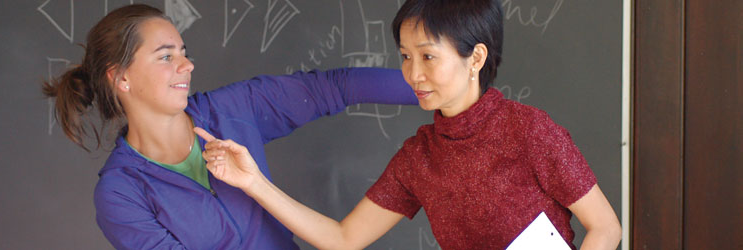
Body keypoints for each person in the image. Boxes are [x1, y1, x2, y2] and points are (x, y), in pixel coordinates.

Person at [198, 0, 622, 249]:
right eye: (405, 56)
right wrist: (253, 181)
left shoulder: (528, 130)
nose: (413, 73)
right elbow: (344, 238)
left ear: (475, 58)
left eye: (428, 56)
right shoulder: (419, 157)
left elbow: (606, 228)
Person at [42, 4, 417, 249]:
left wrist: (446, 90)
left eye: (184, 53)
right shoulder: (121, 193)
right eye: (166, 56)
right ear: (120, 78)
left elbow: (334, 87)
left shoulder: (232, 110)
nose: (186, 65)